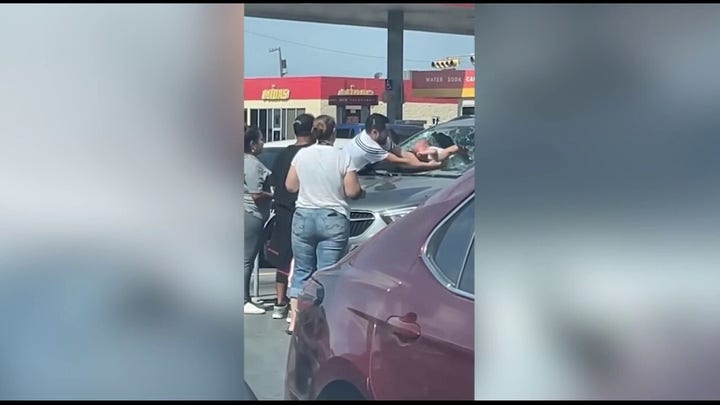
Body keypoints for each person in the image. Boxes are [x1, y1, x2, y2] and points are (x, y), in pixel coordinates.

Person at [284, 115, 363, 334]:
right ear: (334, 133)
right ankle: (320, 322)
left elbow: (290, 186)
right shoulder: (342, 157)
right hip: (332, 218)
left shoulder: (302, 155)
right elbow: (352, 191)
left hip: (303, 216)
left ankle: (295, 321)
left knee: (301, 270)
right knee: (326, 274)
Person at [265, 113, 316, 323]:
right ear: (312, 130)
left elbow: (274, 182)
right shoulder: (312, 154)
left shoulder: (284, 154)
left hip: (284, 211)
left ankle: (279, 303)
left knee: (283, 258)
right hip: (306, 209)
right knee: (307, 260)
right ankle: (302, 304)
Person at [343, 113, 442, 172]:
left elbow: (402, 153)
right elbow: (400, 161)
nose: (388, 134)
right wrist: (428, 166)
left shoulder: (379, 138)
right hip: (346, 175)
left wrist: (421, 163)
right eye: (386, 131)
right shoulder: (368, 147)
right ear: (374, 132)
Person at [243, 125, 273, 315]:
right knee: (246, 259)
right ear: (253, 144)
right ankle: (244, 299)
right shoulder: (252, 164)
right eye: (261, 139)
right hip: (251, 212)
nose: (263, 143)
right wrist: (271, 195)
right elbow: (255, 194)